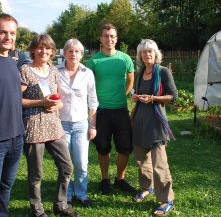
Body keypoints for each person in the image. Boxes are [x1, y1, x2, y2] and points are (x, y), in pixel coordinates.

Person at [20, 34, 79, 217]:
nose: (43, 51)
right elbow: (18, 100)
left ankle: (60, 205)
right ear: (33, 50)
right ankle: (36, 210)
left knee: (66, 167)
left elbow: (59, 99)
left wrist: (56, 104)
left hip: (54, 125)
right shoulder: (25, 70)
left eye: (48, 48)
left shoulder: (54, 71)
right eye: (39, 47)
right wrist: (41, 102)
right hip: (34, 126)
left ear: (53, 51)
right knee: (36, 173)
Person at [87, 23, 135, 195]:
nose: (109, 39)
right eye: (106, 36)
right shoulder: (93, 61)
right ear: (101, 39)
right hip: (102, 112)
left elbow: (130, 80)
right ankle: (105, 179)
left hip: (121, 110)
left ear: (117, 38)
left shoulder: (125, 59)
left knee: (125, 147)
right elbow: (88, 85)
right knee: (103, 147)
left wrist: (123, 95)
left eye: (112, 36)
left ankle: (120, 179)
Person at [131, 39, 178, 216]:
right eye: (143, 52)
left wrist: (154, 98)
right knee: (142, 160)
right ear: (140, 55)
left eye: (150, 51)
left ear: (156, 53)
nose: (147, 54)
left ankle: (166, 200)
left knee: (160, 164)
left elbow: (174, 96)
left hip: (156, 123)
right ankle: (146, 188)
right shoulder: (140, 72)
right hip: (140, 121)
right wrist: (136, 98)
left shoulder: (163, 72)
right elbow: (137, 94)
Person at [57, 39, 98, 207]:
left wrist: (93, 125)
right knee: (65, 163)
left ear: (82, 54)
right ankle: (65, 195)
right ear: (64, 53)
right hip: (61, 124)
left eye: (77, 51)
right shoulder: (56, 71)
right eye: (70, 51)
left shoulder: (87, 73)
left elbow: (93, 101)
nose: (73, 54)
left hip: (81, 125)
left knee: (81, 162)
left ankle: (81, 193)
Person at [0, 14, 25, 217]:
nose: (8, 37)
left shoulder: (12, 62)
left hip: (16, 137)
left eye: (12, 33)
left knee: (6, 185)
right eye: (3, 32)